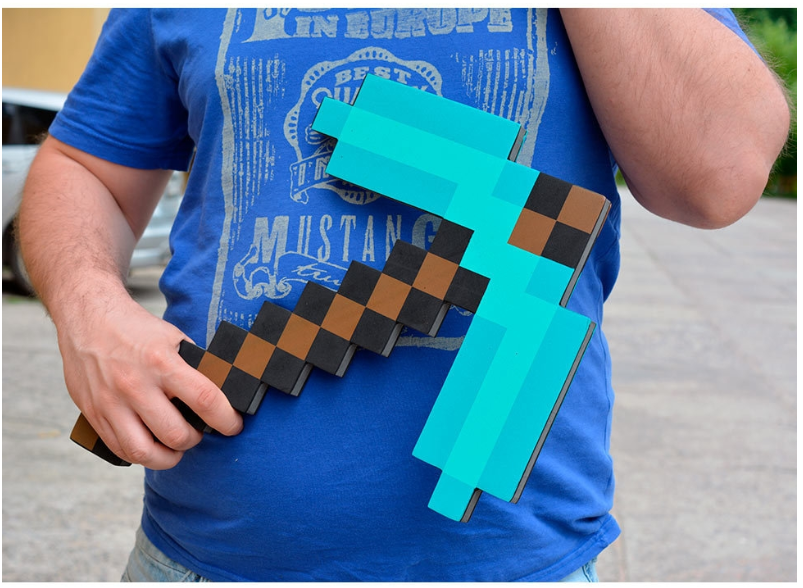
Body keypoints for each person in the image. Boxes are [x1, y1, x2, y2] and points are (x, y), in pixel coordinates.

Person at [18, 8, 788, 582]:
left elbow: (719, 174)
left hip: (516, 561)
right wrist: (89, 305)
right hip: (207, 553)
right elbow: (86, 166)